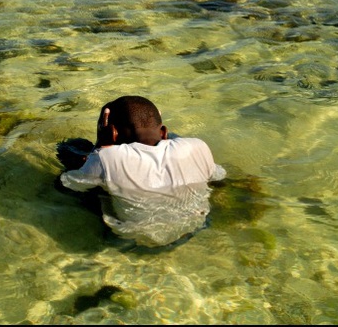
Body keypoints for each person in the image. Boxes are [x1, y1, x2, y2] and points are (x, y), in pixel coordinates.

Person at [57, 95, 226, 247]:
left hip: (138, 239)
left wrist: (100, 147)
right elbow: (218, 175)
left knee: (74, 147)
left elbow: (69, 184)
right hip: (194, 227)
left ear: (113, 134)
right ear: (163, 132)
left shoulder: (107, 158)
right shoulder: (198, 146)